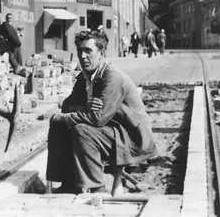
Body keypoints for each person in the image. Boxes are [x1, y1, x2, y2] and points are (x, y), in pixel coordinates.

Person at [46, 30, 158, 196]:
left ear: (102, 54)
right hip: (112, 129)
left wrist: (77, 114)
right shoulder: (85, 76)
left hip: (133, 136)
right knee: (58, 124)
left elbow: (98, 119)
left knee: (82, 130)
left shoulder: (112, 77)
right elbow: (67, 106)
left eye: (88, 51)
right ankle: (68, 183)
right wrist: (84, 107)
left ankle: (97, 188)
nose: (82, 56)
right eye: (80, 51)